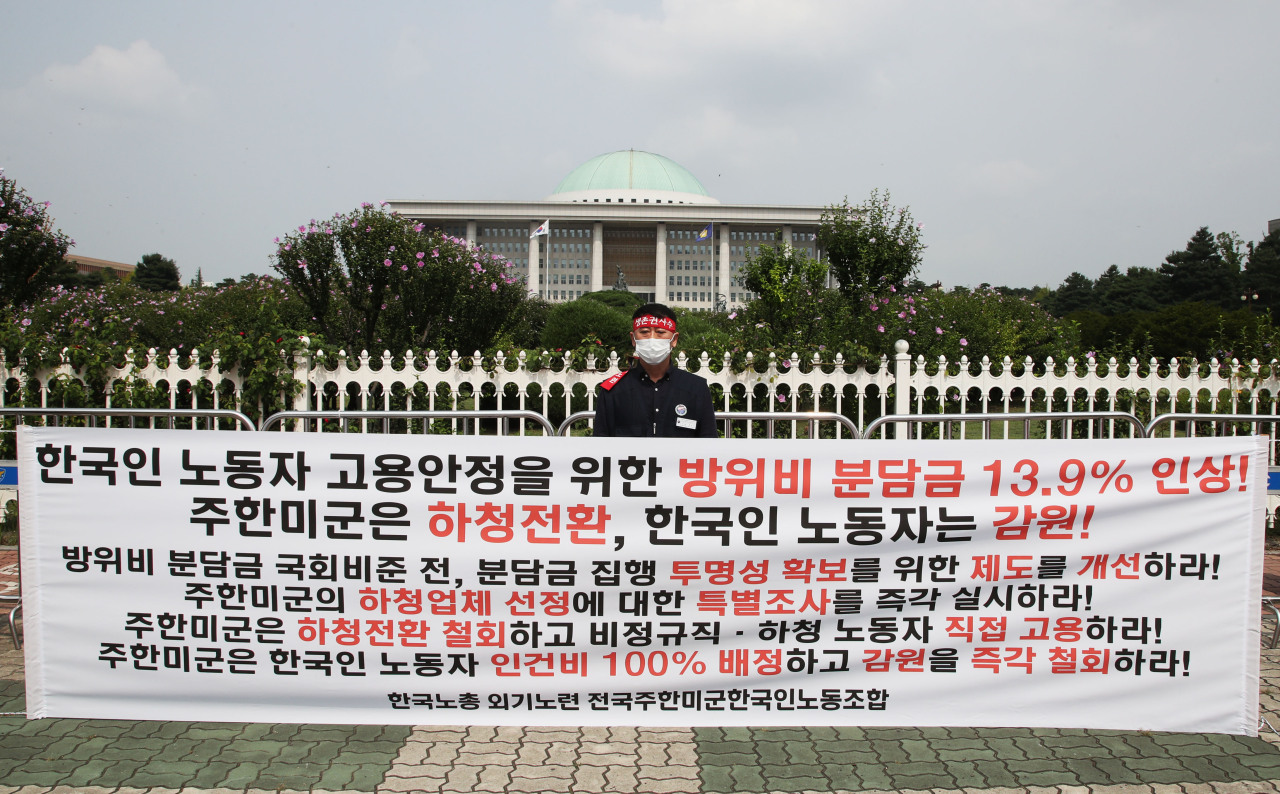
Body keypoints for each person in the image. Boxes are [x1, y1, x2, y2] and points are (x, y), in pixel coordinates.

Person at [592, 303, 717, 437]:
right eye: (644, 332)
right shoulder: (612, 391)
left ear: (674, 339)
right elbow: (600, 446)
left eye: (660, 332)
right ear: (633, 339)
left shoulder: (696, 388)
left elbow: (709, 445)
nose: (652, 339)